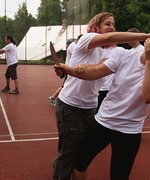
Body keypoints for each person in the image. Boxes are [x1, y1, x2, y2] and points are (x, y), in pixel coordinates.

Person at [52, 11, 150, 180]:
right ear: (96, 26)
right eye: (107, 24)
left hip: (95, 110)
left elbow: (96, 69)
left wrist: (73, 69)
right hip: (79, 108)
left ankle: (60, 167)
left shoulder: (113, 51)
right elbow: (98, 67)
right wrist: (70, 69)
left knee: (113, 172)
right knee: (72, 154)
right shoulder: (88, 40)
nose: (111, 27)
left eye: (113, 24)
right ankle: (59, 173)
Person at [48, 35, 83, 107]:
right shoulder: (73, 46)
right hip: (69, 70)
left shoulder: (74, 45)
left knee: (66, 86)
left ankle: (54, 98)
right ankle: (53, 98)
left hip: (71, 70)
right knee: (65, 86)